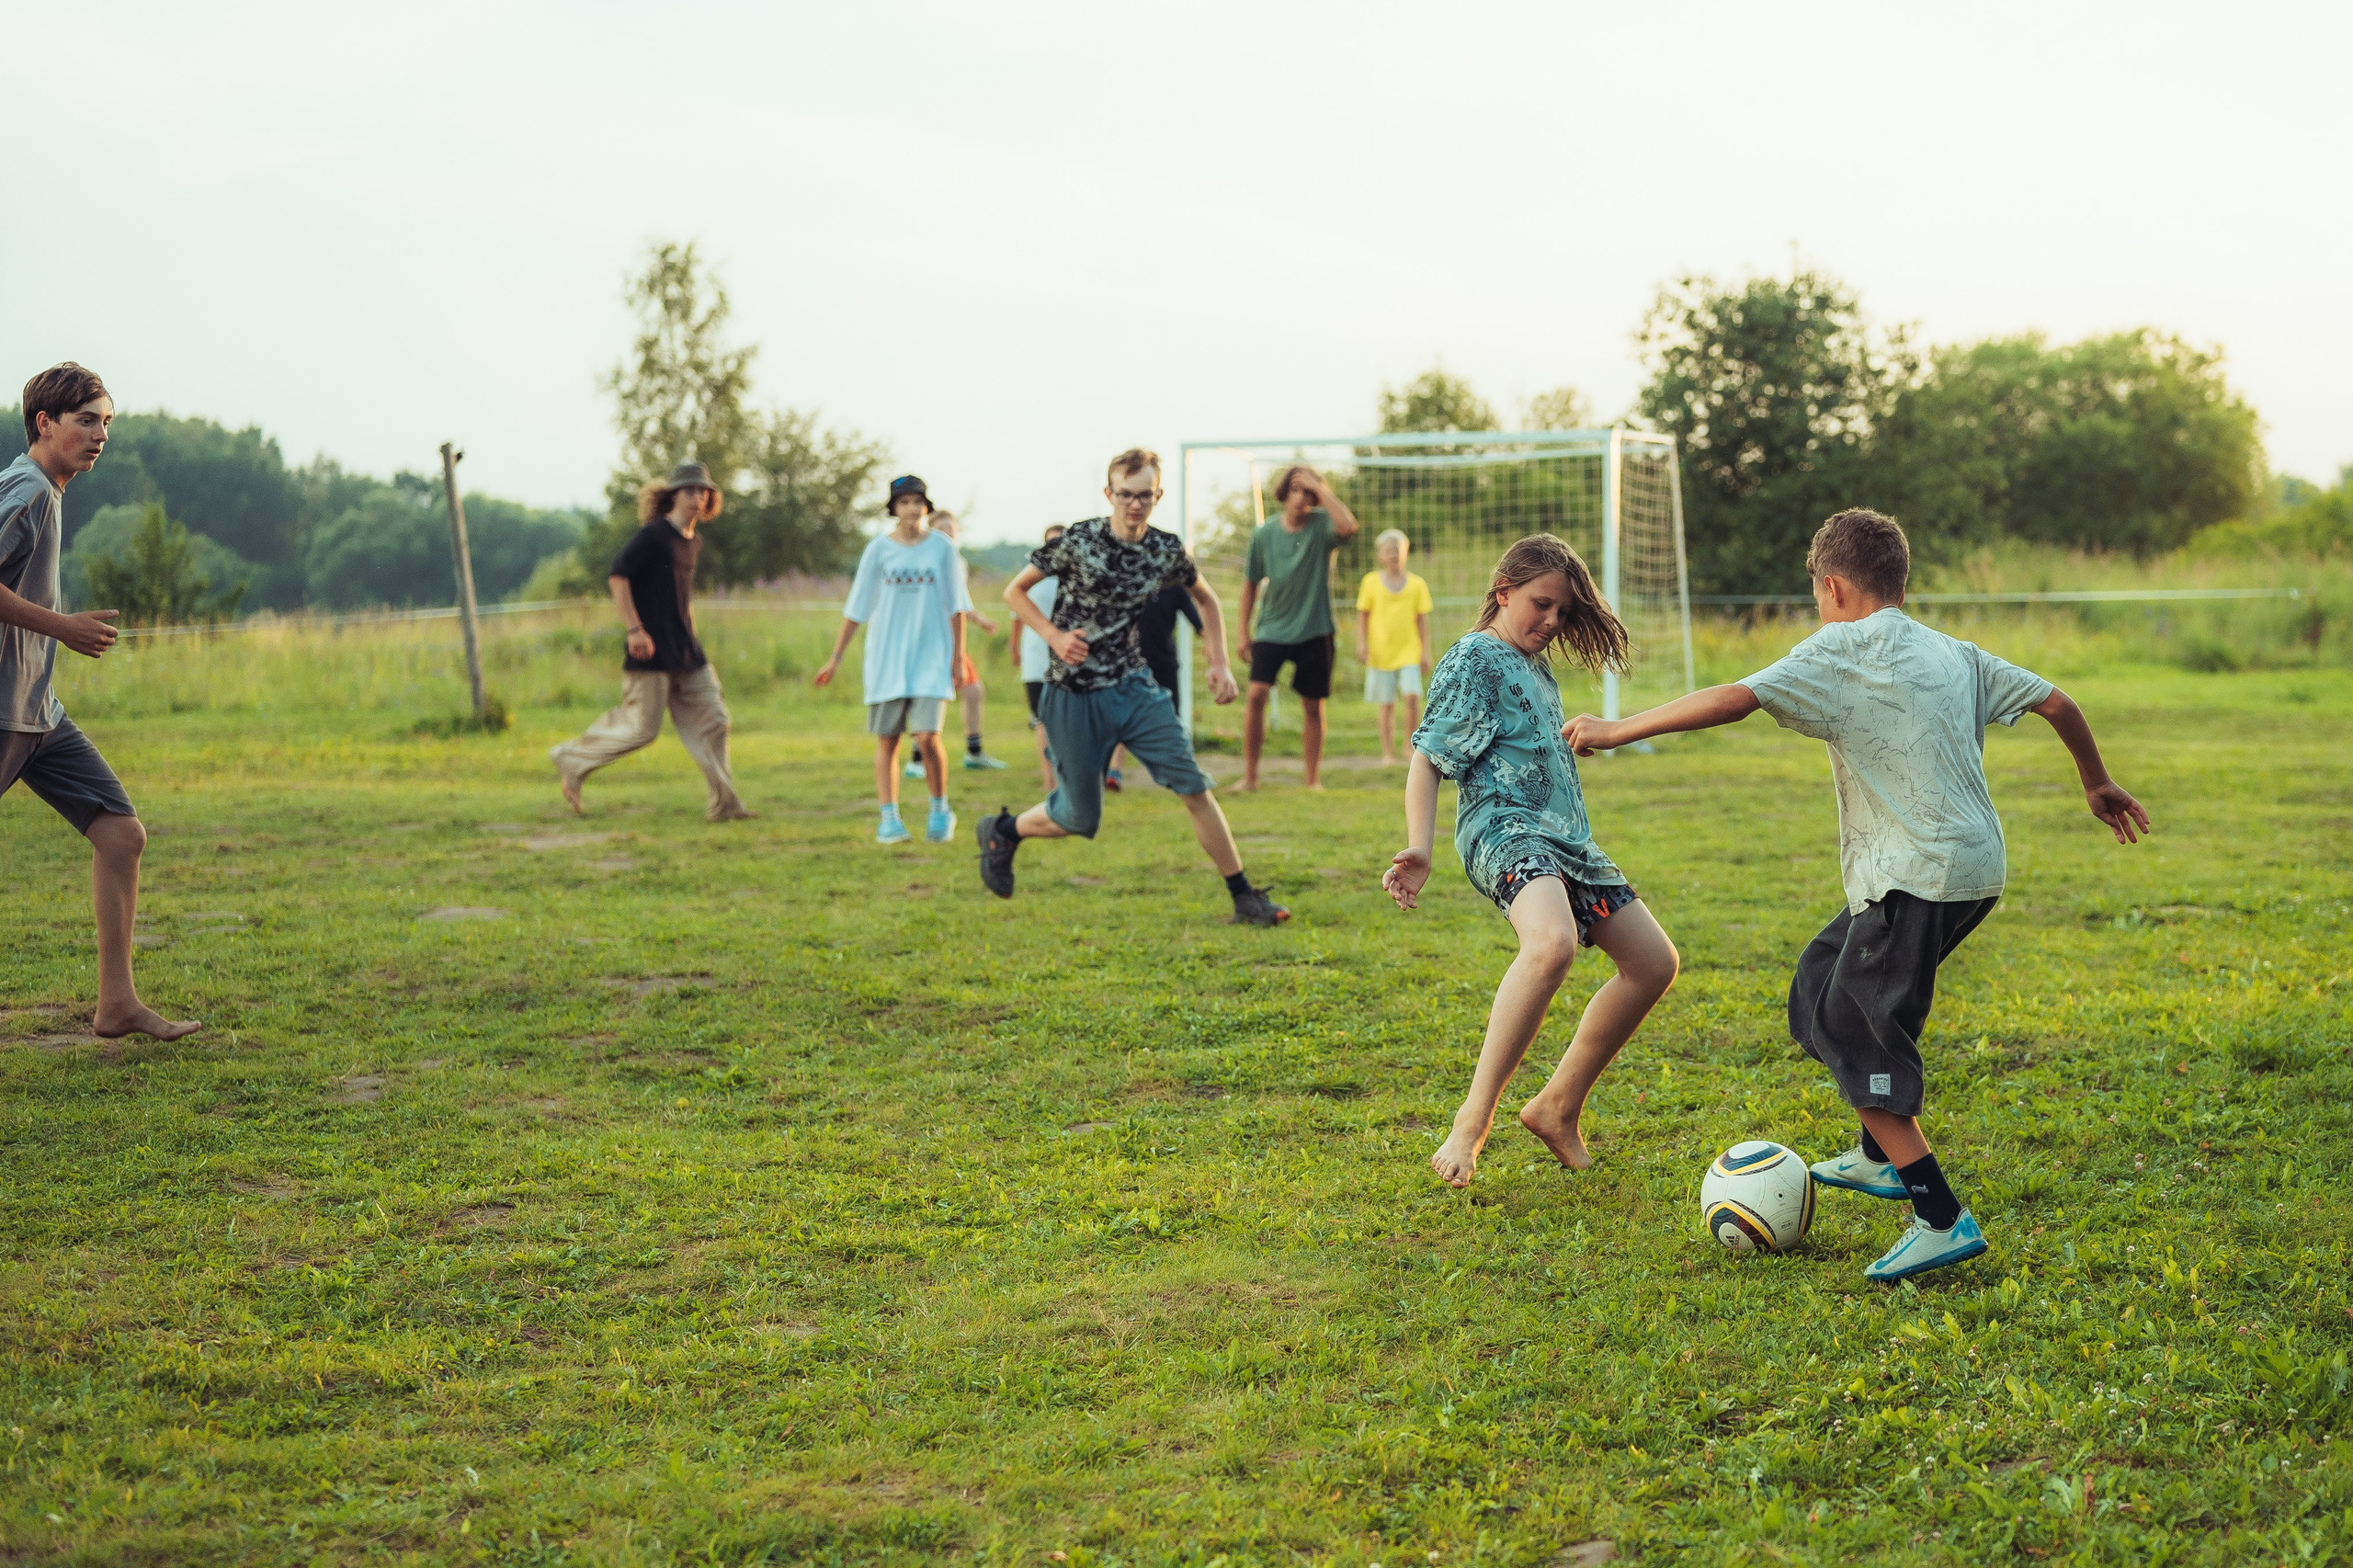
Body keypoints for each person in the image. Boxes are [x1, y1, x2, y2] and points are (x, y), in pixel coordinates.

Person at [1565, 508, 2150, 1283]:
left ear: (1833, 587)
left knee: (1852, 1026)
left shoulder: (1841, 646)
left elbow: (1734, 698)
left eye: (1817, 594)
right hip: (1969, 871)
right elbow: (2058, 702)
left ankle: (1938, 1216)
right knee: (1821, 979)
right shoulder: (1954, 652)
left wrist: (1616, 730)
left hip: (1916, 875)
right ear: (1899, 583)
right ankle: (1878, 1154)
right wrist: (2095, 781)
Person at [1383, 534, 1679, 1187]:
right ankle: (1471, 1122)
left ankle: (1556, 1107)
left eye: (1563, 612)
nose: (1551, 621)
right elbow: (1428, 757)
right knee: (1550, 945)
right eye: (1541, 605)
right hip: (1506, 831)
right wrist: (1420, 847)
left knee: (1654, 964)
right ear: (1503, 592)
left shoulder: (1533, 665)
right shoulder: (1475, 657)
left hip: (1569, 842)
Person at [980, 448, 1286, 926]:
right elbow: (1013, 591)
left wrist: (1219, 662)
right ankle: (1004, 830)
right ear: (1109, 494)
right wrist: (1054, 637)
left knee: (1193, 786)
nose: (1134, 504)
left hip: (1133, 687)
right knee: (1078, 817)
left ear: (1158, 495)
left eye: (1144, 495)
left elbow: (1206, 600)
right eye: (1125, 495)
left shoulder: (1165, 550)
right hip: (1072, 693)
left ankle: (1245, 897)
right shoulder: (1078, 540)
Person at [0, 363, 198, 1040]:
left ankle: (117, 1004)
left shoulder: (45, 492)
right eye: (86, 420)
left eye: (107, 422)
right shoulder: (28, 489)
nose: (101, 435)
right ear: (44, 423)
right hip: (3, 713)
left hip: (36, 712)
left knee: (120, 834)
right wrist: (64, 627)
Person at [551, 462, 753, 823]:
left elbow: (681, 597)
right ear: (674, 495)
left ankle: (724, 807)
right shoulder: (654, 535)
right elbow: (618, 576)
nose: (698, 496)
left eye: (703, 491)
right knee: (641, 729)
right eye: (690, 490)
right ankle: (571, 759)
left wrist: (691, 635)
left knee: (715, 721)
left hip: (686, 650)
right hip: (650, 650)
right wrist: (634, 629)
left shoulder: (694, 541)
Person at [814, 474, 972, 845]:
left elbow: (958, 606)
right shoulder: (878, 550)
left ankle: (940, 808)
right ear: (893, 508)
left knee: (927, 737)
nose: (912, 509)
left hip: (931, 657)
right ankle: (889, 819)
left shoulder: (942, 548)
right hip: (887, 660)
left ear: (926, 507)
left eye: (918, 502)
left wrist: (958, 656)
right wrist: (835, 657)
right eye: (904, 502)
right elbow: (856, 608)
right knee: (888, 740)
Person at [1239, 464, 1359, 790]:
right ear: (1283, 493)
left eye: (1308, 492)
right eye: (1296, 490)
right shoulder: (1264, 534)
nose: (1302, 497)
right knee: (1256, 694)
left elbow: (1348, 526)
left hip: (1315, 628)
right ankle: (1250, 777)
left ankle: (1312, 781)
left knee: (1312, 705)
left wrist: (1321, 489)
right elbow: (1249, 585)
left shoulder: (1322, 525)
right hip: (1272, 628)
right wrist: (1242, 632)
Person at [915, 510, 1006, 773]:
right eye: (941, 528)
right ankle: (917, 759)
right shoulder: (926, 558)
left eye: (951, 528)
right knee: (928, 695)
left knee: (973, 691)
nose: (948, 532)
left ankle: (973, 753)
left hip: (952, 639)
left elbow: (959, 603)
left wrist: (980, 620)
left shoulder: (958, 561)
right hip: (932, 639)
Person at [1356, 528, 1434, 766]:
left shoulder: (1417, 584)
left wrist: (1425, 651)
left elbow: (1422, 620)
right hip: (1380, 653)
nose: (1393, 555)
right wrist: (1362, 643)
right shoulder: (1370, 582)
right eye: (1388, 550)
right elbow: (1363, 615)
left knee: (1412, 697)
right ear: (1380, 555)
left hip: (1409, 651)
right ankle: (1387, 753)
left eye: (1397, 550)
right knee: (1387, 703)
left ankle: (1409, 747)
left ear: (1406, 553)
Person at [1008, 523, 1066, 793]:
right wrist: (1013, 646)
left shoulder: (1077, 576)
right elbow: (1016, 612)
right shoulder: (1031, 575)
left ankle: (1070, 780)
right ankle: (1049, 782)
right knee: (1041, 720)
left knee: (1067, 721)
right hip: (1036, 658)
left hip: (1068, 659)